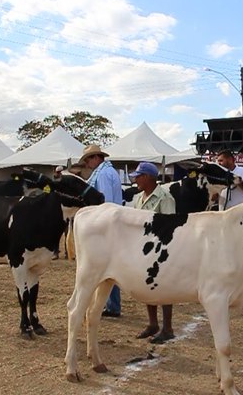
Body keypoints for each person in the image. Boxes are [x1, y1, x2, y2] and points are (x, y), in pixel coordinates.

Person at [129, 162, 177, 344]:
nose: (135, 180)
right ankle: (153, 324)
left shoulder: (164, 197)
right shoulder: (139, 198)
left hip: (161, 249)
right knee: (148, 285)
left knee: (164, 287)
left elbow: (170, 225)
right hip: (144, 249)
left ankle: (168, 327)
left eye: (139, 176)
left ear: (148, 177)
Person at [80, 144, 123, 317]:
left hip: (107, 224)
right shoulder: (107, 171)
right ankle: (111, 304)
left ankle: (112, 305)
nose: (87, 162)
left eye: (89, 158)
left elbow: (106, 201)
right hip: (112, 222)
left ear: (97, 158)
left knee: (107, 266)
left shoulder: (104, 174)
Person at [52, 165, 66, 260]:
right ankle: (56, 251)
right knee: (56, 232)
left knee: (67, 232)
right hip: (58, 210)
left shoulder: (65, 183)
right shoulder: (55, 183)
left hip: (65, 210)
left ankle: (67, 252)